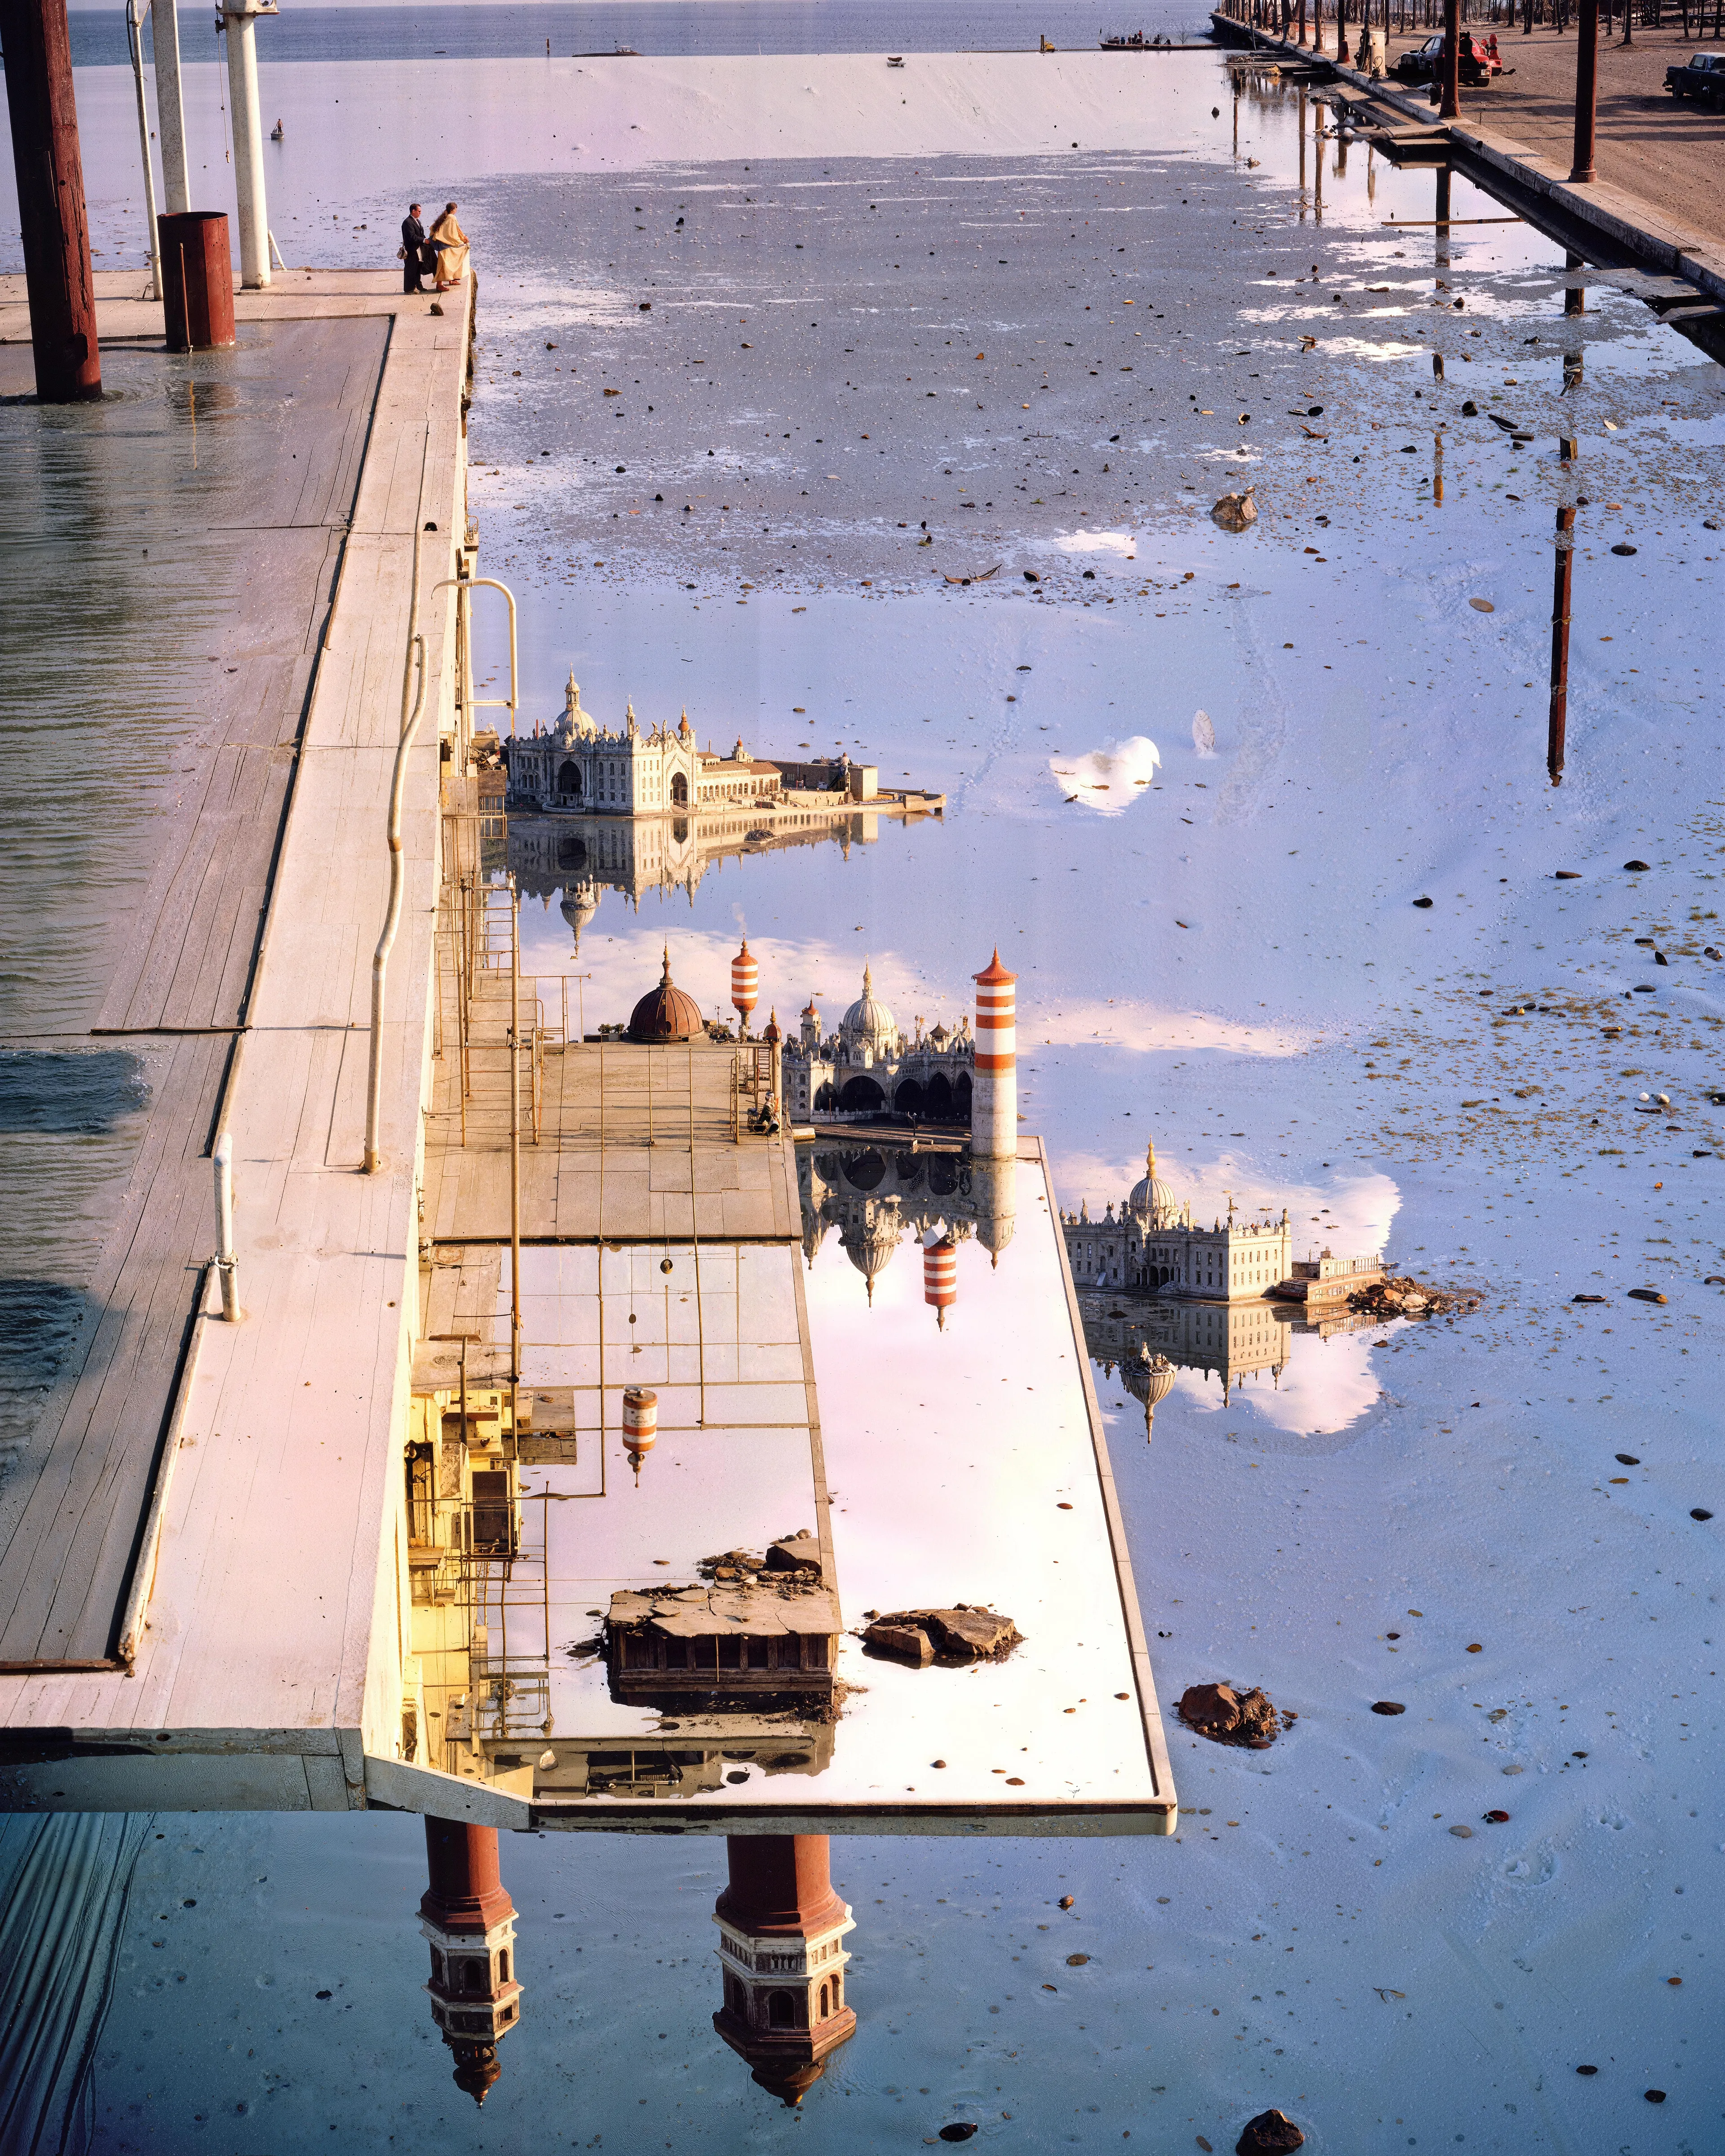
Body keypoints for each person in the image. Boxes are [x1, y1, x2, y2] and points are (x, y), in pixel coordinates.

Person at [427, 201, 470, 292]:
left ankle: (451, 279)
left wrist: (463, 237)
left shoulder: (446, 216)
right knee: (444, 264)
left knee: (450, 263)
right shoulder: (452, 217)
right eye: (456, 209)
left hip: (442, 243)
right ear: (452, 210)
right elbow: (453, 234)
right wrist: (461, 240)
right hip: (445, 245)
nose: (456, 211)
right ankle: (439, 285)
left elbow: (456, 230)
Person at [400, 202, 427, 295]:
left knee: (417, 267)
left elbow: (420, 233)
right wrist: (424, 240)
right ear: (413, 211)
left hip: (418, 248)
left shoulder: (417, 221)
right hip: (411, 250)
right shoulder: (408, 222)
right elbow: (412, 237)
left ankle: (418, 285)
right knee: (410, 268)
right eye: (419, 211)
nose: (420, 213)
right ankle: (409, 288)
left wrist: (425, 240)